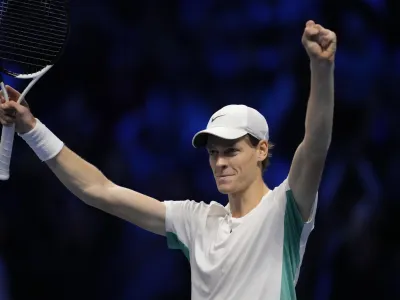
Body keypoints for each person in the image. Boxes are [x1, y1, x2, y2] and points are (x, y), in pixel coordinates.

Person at [0, 20, 336, 300]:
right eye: (213, 153)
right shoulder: (197, 221)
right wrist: (32, 128)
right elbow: (99, 190)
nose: (219, 162)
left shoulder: (284, 211)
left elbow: (315, 145)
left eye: (231, 151)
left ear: (261, 151)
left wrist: (321, 68)